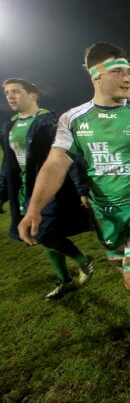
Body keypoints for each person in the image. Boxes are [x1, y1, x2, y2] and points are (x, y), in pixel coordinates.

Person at [18, 42, 130, 373]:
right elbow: (55, 164)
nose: (127, 78)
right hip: (104, 213)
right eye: (118, 72)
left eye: (129, 72)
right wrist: (34, 207)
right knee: (127, 278)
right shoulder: (73, 119)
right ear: (95, 76)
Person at [0, 78, 94, 300]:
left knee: (43, 232)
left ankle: (83, 261)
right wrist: (2, 193)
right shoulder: (9, 125)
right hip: (24, 189)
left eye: (16, 92)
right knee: (38, 233)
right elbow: (8, 164)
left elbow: (70, 155)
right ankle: (66, 281)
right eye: (6, 93)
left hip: (51, 189)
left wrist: (82, 188)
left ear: (33, 95)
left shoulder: (49, 121)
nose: (10, 96)